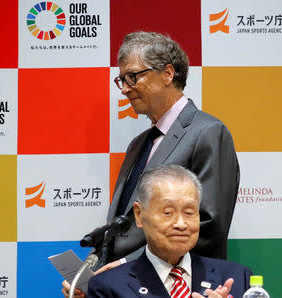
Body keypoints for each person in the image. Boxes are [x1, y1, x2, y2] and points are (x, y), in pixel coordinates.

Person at [62, 31, 240, 296]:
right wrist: (93, 278)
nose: (124, 88)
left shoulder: (208, 131)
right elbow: (121, 228)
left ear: (168, 74)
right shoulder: (138, 144)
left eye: (133, 76)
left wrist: (124, 266)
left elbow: (207, 225)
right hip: (127, 285)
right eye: (121, 79)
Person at [88, 165, 251, 298]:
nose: (181, 224)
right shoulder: (108, 287)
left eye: (189, 212)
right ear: (139, 215)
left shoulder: (238, 278)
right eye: (168, 212)